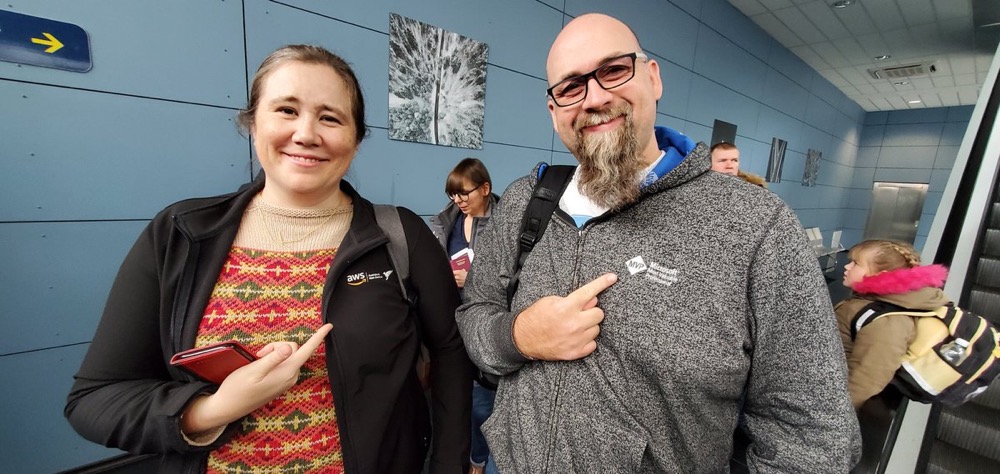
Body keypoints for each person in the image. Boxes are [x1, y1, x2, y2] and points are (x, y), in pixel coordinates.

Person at [456, 13, 860, 472]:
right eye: (571, 87)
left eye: (614, 70)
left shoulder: (756, 227)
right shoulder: (527, 201)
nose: (595, 98)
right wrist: (518, 337)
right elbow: (474, 313)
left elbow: (812, 438)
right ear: (554, 111)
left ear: (653, 78)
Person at [65, 45, 471, 473]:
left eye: (330, 118)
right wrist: (211, 409)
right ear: (253, 123)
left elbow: (450, 354)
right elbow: (94, 399)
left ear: (355, 140)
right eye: (286, 110)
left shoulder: (400, 236)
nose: (306, 134)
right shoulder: (181, 234)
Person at [429, 158, 500, 474]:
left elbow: (516, 278)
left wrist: (472, 279)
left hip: (486, 326)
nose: (458, 200)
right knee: (453, 401)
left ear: (485, 188)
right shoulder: (445, 221)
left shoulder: (506, 225)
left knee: (482, 404)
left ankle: (478, 461)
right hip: (451, 324)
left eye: (464, 193)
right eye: (452, 194)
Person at [834, 239, 949, 409]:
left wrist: (831, 415)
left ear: (880, 275)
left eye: (856, 263)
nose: (847, 267)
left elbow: (866, 381)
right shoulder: (871, 301)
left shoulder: (888, 321)